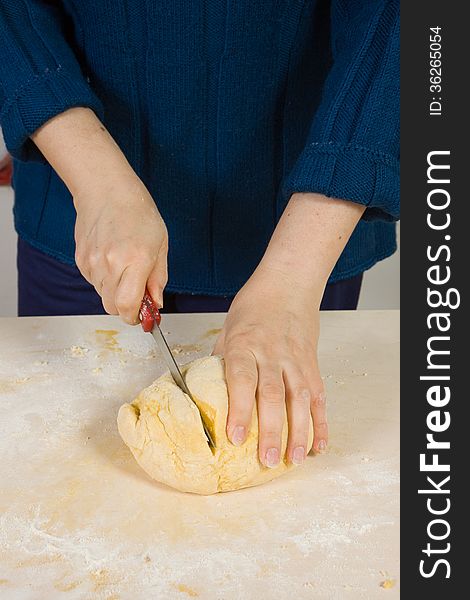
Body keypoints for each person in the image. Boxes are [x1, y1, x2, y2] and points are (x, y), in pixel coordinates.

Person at [0, 1, 399, 469]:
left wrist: (294, 276)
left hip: (310, 237)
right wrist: (95, 178)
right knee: (52, 461)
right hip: (81, 221)